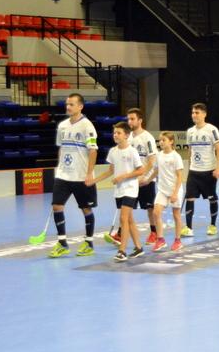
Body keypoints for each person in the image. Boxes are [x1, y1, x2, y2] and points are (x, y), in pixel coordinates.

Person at [48, 93, 98, 258]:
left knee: (86, 209)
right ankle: (62, 243)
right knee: (57, 206)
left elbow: (93, 151)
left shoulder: (87, 126)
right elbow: (61, 148)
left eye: (71, 104)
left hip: (81, 176)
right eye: (67, 104)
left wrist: (89, 173)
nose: (68, 107)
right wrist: (59, 166)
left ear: (80, 106)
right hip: (63, 175)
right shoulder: (62, 126)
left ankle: (89, 242)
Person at [88, 122, 145, 262]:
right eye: (114, 133)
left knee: (123, 219)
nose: (115, 135)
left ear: (126, 135)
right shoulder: (113, 152)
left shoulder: (132, 151)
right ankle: (139, 248)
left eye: (118, 133)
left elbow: (141, 170)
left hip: (130, 189)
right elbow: (110, 171)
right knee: (129, 220)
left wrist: (123, 177)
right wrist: (94, 181)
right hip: (118, 190)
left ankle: (122, 251)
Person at [106, 108, 157, 245]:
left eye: (132, 119)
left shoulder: (147, 138)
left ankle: (154, 232)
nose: (129, 121)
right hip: (130, 180)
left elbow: (152, 160)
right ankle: (120, 234)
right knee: (127, 208)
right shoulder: (127, 137)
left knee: (149, 207)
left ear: (140, 120)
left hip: (144, 179)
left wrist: (144, 177)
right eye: (128, 119)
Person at [183, 103, 219, 237]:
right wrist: (189, 168)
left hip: (209, 171)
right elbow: (190, 151)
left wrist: (218, 168)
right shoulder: (190, 131)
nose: (194, 115)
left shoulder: (212, 130)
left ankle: (213, 225)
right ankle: (188, 228)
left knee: (212, 198)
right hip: (194, 172)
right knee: (190, 198)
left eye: (197, 112)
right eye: (193, 112)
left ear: (204, 114)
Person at [150, 131, 185, 251]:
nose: (161, 142)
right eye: (160, 140)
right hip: (162, 190)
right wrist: (147, 180)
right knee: (156, 212)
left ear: (171, 141)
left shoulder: (176, 157)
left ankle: (178, 240)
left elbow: (180, 177)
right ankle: (160, 240)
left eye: (164, 140)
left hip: (175, 190)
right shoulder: (159, 155)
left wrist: (175, 193)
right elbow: (156, 170)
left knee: (176, 215)